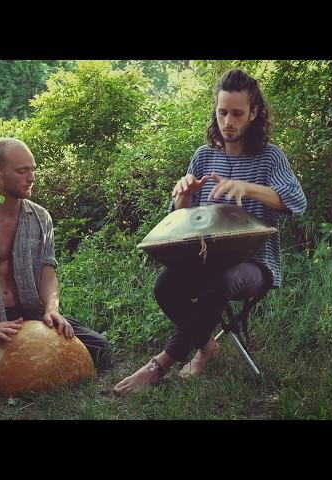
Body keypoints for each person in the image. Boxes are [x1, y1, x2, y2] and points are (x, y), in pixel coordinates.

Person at [113, 68, 307, 396]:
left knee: (220, 283)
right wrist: (184, 196)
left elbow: (296, 201)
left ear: (254, 113)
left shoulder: (269, 158)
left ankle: (161, 363)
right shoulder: (204, 157)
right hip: (204, 259)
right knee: (165, 287)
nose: (228, 121)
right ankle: (208, 348)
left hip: (255, 265)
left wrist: (249, 188)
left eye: (237, 113)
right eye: (222, 112)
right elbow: (182, 222)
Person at [0, 138, 111, 394]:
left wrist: (52, 310)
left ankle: (2, 361)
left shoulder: (41, 218)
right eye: (22, 171)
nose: (31, 177)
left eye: (32, 169)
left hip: (30, 313)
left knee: (101, 348)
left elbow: (47, 271)